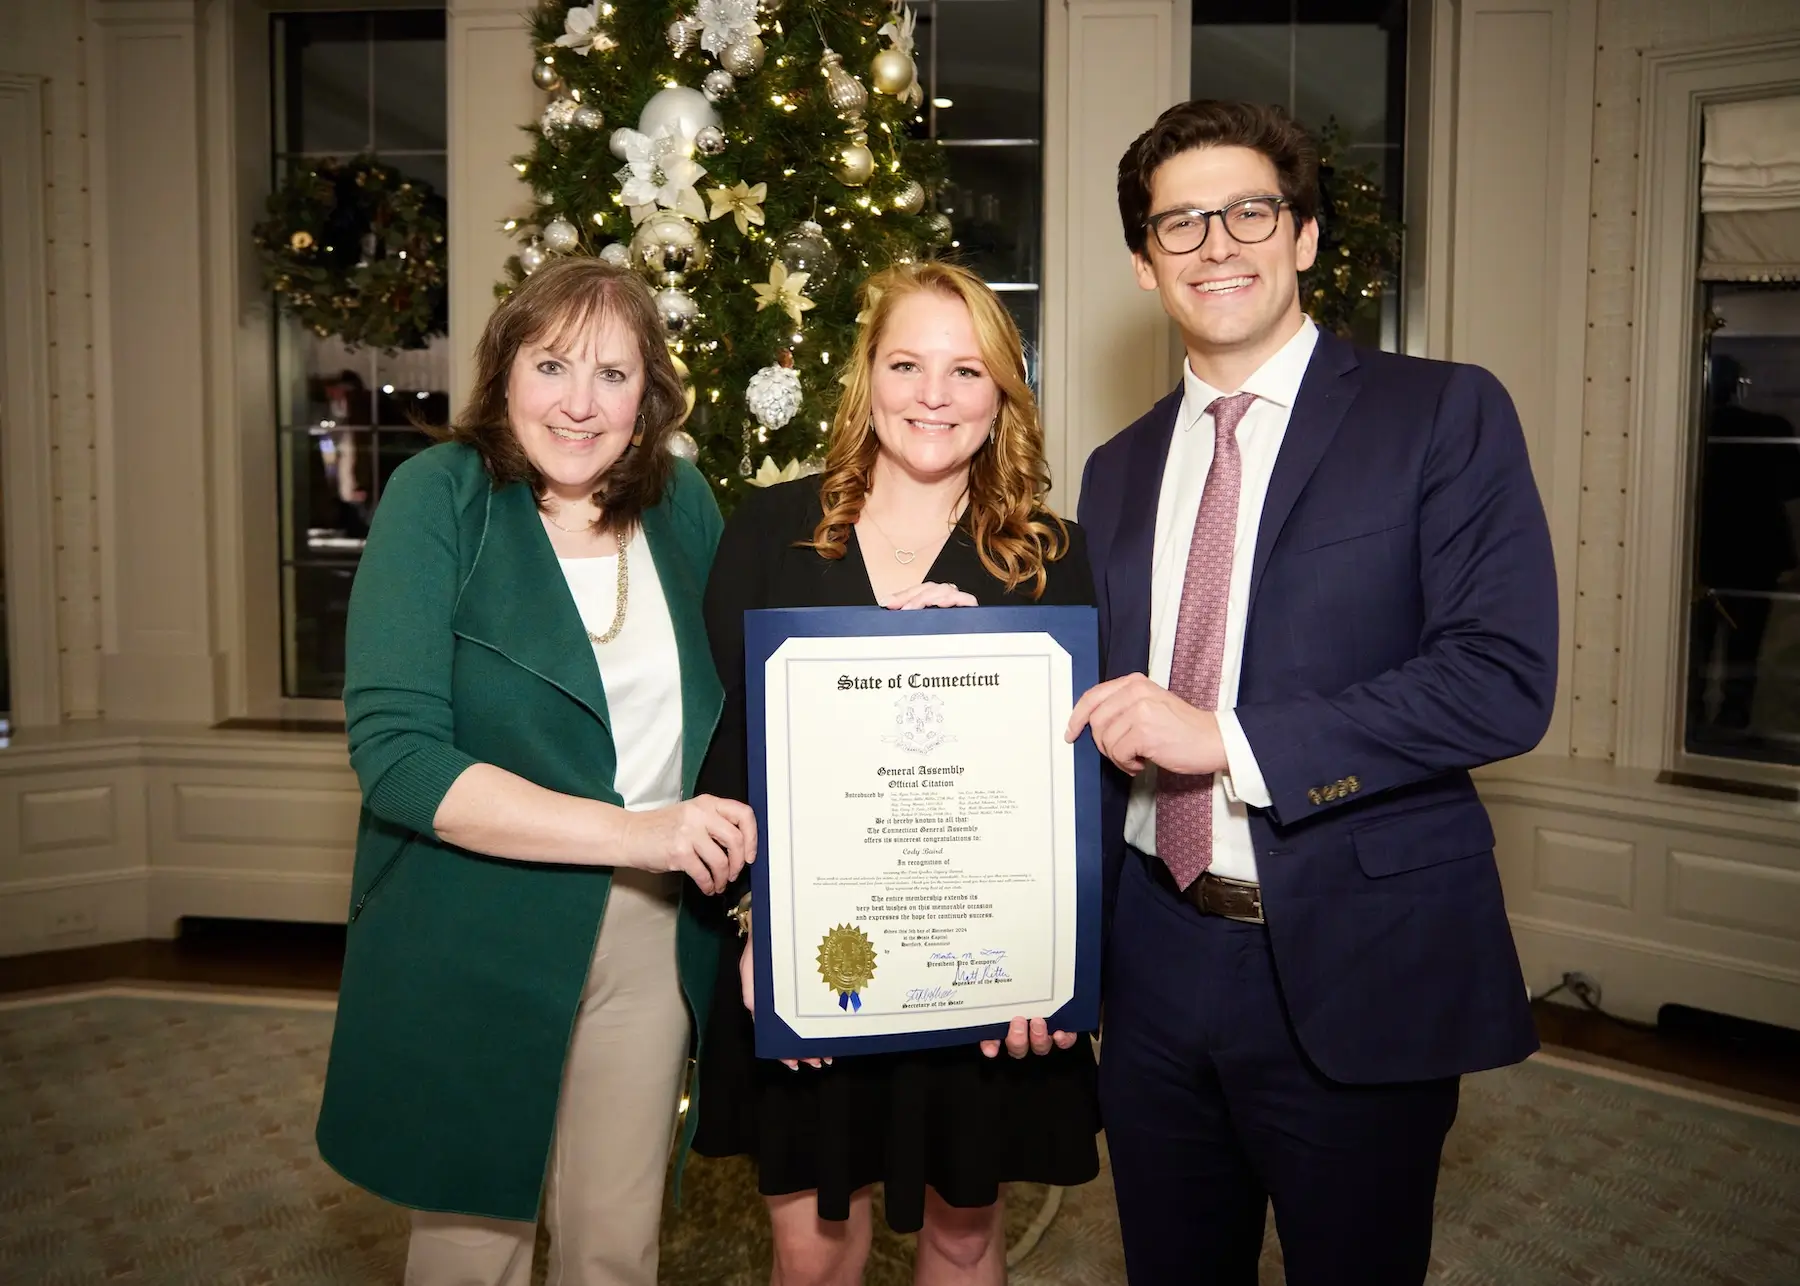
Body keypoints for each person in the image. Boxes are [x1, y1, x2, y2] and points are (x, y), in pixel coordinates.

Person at [1067, 100, 1558, 1285]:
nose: (1216, 244)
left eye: (1249, 211)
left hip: (1353, 951)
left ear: (1304, 237)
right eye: (1179, 224)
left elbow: (1500, 678)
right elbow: (1100, 698)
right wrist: (972, 650)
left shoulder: (1440, 412)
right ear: (1144, 262)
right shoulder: (1117, 466)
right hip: (1152, 955)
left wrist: (1227, 739)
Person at [315, 257, 757, 1286]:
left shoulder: (682, 501)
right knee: (473, 1248)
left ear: (650, 393)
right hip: (475, 916)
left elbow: (759, 670)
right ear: (504, 368)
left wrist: (902, 633)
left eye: (613, 372)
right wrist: (638, 831)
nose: (578, 402)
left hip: (651, 933)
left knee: (615, 1244)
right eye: (552, 363)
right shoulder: (440, 497)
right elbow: (400, 757)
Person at [694, 261, 1101, 1285]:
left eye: (966, 370)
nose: (933, 394)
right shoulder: (768, 535)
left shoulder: (1052, 559)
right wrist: (761, 933)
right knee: (814, 1245)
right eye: (906, 363)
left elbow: (1075, 783)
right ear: (864, 377)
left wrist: (1049, 956)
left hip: (984, 970)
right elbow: (731, 757)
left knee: (966, 1232)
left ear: (1004, 390)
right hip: (817, 953)